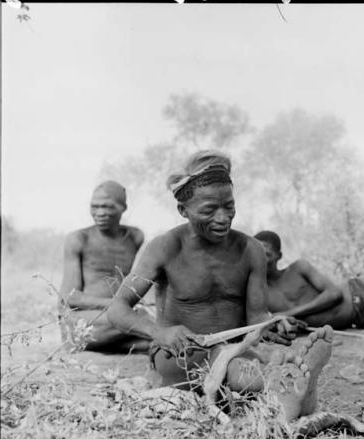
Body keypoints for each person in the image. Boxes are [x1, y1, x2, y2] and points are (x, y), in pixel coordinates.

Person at [107, 151, 333, 422]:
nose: (223, 218)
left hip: (237, 348)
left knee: (263, 357)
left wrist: (271, 325)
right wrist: (159, 333)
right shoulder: (165, 248)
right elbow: (117, 310)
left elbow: (257, 317)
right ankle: (284, 387)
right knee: (238, 368)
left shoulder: (250, 250)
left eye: (229, 206)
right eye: (209, 210)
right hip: (181, 354)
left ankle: (292, 390)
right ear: (183, 211)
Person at [59, 180, 150, 353]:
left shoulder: (134, 237)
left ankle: (121, 343)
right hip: (84, 319)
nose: (100, 213)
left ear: (123, 207)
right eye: (95, 206)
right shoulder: (78, 239)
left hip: (115, 318)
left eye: (107, 207)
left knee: (157, 325)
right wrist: (116, 304)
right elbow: (70, 297)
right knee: (145, 321)